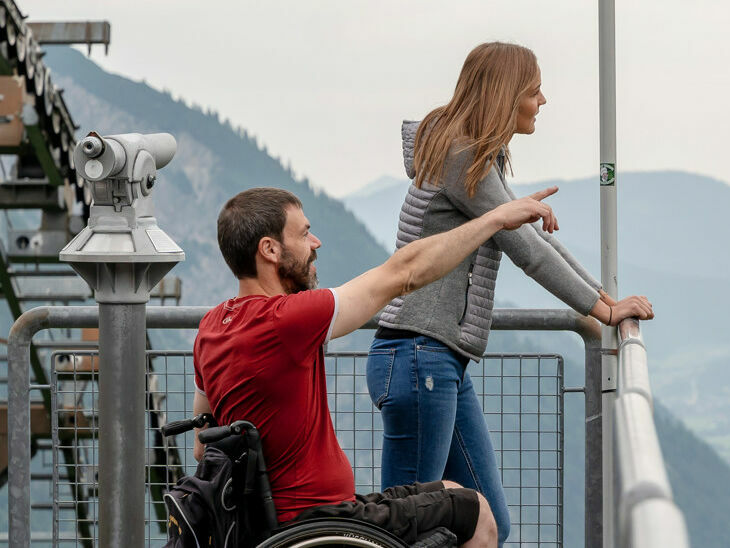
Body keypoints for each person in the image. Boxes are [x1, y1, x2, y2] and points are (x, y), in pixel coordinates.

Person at [371, 41, 654, 543]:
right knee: (402, 532)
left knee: (490, 526)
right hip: (419, 358)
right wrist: (604, 310)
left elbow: (536, 239)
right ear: (506, 94)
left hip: (440, 362)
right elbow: (528, 251)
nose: (542, 101)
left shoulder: (473, 155)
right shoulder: (463, 157)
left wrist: (604, 301)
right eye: (534, 90)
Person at [191, 186, 558, 548]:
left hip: (287, 522)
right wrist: (493, 218)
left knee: (451, 490)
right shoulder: (285, 320)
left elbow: (201, 445)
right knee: (477, 512)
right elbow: (405, 272)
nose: (315, 242)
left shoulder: (210, 328)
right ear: (269, 250)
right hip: (321, 523)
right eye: (303, 234)